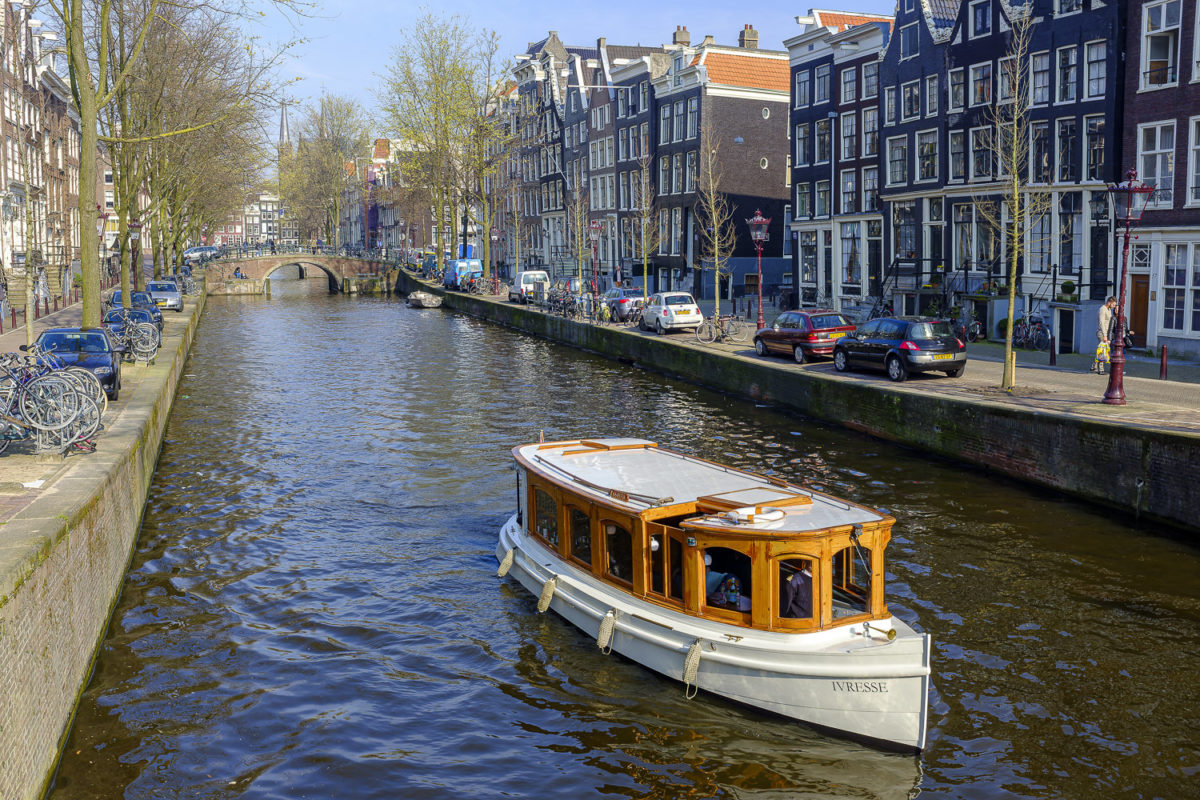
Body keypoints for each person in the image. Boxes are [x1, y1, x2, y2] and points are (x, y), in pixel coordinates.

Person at [1092, 296, 1117, 374]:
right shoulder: (1102, 309)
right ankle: (1101, 369)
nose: (1113, 307)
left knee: (1101, 350)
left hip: (1106, 332)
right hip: (1102, 333)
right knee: (1103, 350)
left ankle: (1093, 366)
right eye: (1113, 304)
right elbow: (1101, 323)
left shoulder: (1109, 310)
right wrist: (1105, 335)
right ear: (1109, 302)